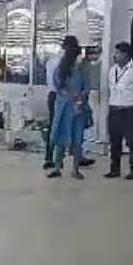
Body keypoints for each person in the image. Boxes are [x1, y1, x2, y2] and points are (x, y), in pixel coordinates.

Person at [105, 41, 133, 180]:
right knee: (114, 140)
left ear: (125, 54)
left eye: (118, 53)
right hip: (114, 108)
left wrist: (131, 96)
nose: (115, 55)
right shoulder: (113, 70)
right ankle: (114, 169)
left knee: (131, 140)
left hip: (129, 110)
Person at [47, 37, 89, 179]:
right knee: (61, 137)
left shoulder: (81, 68)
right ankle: (58, 167)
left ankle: (75, 169)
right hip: (65, 106)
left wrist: (81, 98)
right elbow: (59, 86)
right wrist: (75, 96)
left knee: (77, 139)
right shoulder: (60, 67)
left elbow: (86, 87)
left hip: (77, 107)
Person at [42, 37, 72, 169]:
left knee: (53, 126)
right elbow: (60, 82)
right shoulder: (63, 62)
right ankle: (58, 158)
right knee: (61, 127)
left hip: (52, 95)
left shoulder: (51, 60)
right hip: (61, 96)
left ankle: (50, 157)